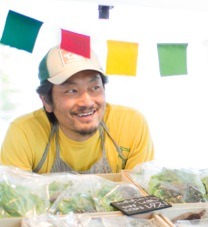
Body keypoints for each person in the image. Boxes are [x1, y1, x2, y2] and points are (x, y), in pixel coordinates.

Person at [0, 45, 154, 174]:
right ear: (46, 100)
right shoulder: (24, 132)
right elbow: (16, 203)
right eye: (71, 91)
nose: (87, 102)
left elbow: (141, 195)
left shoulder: (130, 124)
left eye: (94, 88)